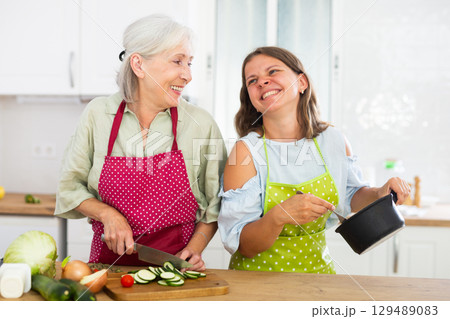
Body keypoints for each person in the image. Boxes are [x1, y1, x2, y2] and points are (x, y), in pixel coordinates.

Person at [55, 14, 226, 270]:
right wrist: (107, 214)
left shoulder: (200, 123)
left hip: (176, 269)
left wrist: (195, 249)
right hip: (107, 269)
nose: (188, 75)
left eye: (189, 63)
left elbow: (216, 203)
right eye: (178, 61)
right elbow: (70, 188)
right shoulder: (98, 114)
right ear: (138, 65)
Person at [217, 46, 410, 274]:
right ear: (250, 97)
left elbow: (351, 194)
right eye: (252, 80)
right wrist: (279, 216)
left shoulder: (334, 140)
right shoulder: (245, 152)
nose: (262, 82)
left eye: (273, 72)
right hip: (259, 284)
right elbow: (244, 246)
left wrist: (379, 194)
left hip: (320, 278)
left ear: (301, 83)